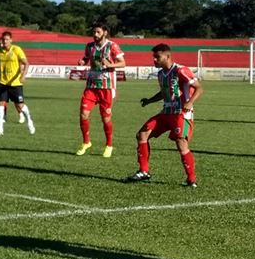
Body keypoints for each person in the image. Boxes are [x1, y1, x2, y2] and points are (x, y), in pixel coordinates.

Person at [125, 43, 203, 188]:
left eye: (157, 57)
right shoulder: (161, 74)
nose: (154, 60)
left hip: (181, 113)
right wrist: (149, 100)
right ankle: (143, 171)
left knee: (181, 143)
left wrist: (190, 102)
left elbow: (199, 88)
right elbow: (164, 93)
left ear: (167, 56)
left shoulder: (181, 70)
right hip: (166, 112)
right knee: (142, 134)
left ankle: (191, 179)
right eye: (154, 57)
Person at [75, 22, 126, 158]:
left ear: (105, 33)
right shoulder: (90, 46)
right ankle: (86, 142)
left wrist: (110, 65)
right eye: (94, 32)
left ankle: (109, 145)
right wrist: (82, 61)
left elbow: (123, 63)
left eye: (98, 32)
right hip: (91, 86)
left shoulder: (112, 46)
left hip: (106, 87)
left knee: (105, 118)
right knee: (83, 114)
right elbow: (87, 58)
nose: (95, 34)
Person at [0, 31, 35, 136]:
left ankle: (29, 121)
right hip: (3, 83)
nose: (5, 41)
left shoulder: (16, 50)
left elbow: (26, 63)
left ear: (11, 40)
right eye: (3, 39)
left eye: (7, 39)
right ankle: (0, 129)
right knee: (1, 105)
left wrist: (23, 76)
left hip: (16, 84)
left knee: (20, 106)